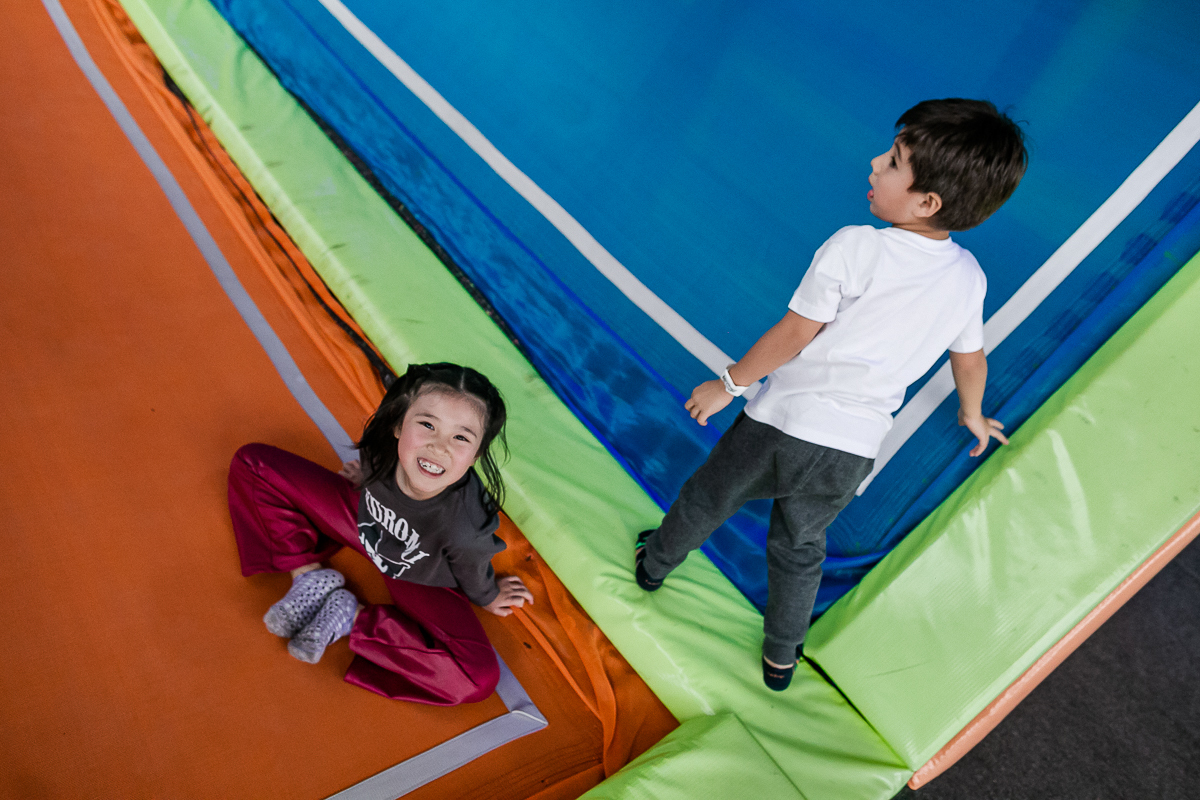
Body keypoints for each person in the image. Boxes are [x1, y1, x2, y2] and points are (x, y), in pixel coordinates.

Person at [634, 98, 1028, 690]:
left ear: (927, 202)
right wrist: (973, 414)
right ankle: (782, 654)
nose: (874, 164)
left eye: (893, 162)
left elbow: (795, 333)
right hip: (853, 449)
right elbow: (969, 358)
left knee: (708, 499)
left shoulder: (856, 245)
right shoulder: (968, 276)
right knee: (800, 548)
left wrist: (729, 384)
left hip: (783, 424)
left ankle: (655, 563)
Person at [228, 362, 533, 705]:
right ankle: (309, 578)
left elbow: (471, 569)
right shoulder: (381, 448)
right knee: (253, 463)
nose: (439, 445)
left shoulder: (466, 524)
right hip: (361, 522)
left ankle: (350, 616)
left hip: (419, 574)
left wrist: (488, 595)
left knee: (476, 679)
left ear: (476, 454)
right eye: (428, 424)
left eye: (460, 437)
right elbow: (372, 462)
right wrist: (363, 479)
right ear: (399, 426)